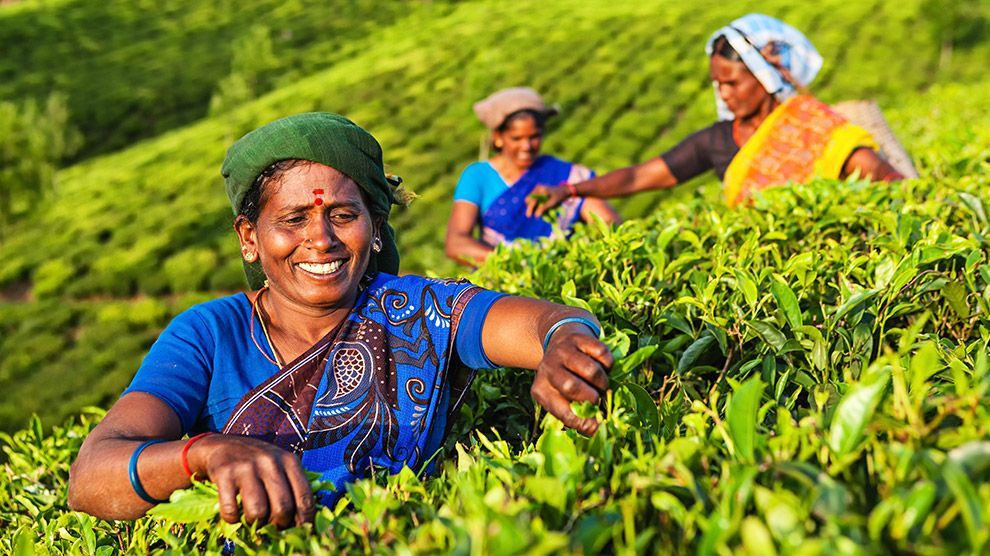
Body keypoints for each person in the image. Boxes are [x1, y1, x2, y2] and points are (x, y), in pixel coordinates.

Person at [67, 113, 614, 528]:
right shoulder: (209, 334)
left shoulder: (416, 309)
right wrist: (204, 454)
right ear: (250, 238)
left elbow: (543, 322)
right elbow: (93, 474)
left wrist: (563, 342)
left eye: (343, 216)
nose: (321, 239)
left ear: (375, 228)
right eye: (293, 219)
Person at [525, 14, 903, 217]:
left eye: (733, 83)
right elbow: (642, 175)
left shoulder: (809, 126)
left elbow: (872, 168)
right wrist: (571, 190)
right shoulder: (717, 140)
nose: (723, 93)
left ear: (764, 76)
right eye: (717, 83)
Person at [445, 87, 619, 266]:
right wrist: (517, 266)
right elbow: (456, 243)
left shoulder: (569, 176)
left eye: (534, 137)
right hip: (500, 285)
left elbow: (610, 227)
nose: (527, 146)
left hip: (558, 278)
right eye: (516, 138)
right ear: (498, 137)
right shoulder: (478, 176)